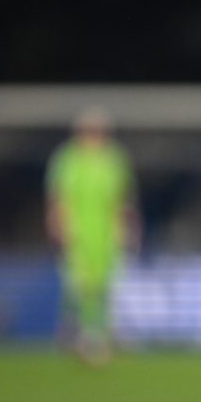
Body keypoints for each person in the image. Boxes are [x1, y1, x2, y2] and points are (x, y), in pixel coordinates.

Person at [45, 106, 137, 366]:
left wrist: (127, 229)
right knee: (80, 285)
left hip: (106, 233)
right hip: (78, 231)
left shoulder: (114, 158)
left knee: (104, 285)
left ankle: (95, 336)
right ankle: (81, 336)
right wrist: (58, 226)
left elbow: (122, 199)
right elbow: (59, 197)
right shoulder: (68, 159)